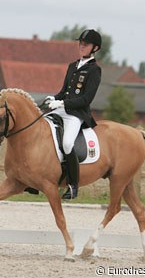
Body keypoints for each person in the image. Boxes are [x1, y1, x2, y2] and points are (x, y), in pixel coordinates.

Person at [46, 29, 102, 199]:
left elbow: (86, 99)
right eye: (81, 43)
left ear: (95, 48)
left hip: (76, 115)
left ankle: (72, 186)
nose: (82, 46)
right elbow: (64, 92)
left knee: (68, 143)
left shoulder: (94, 70)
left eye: (86, 44)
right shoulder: (72, 66)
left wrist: (62, 103)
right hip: (61, 109)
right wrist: (53, 98)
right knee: (39, 128)